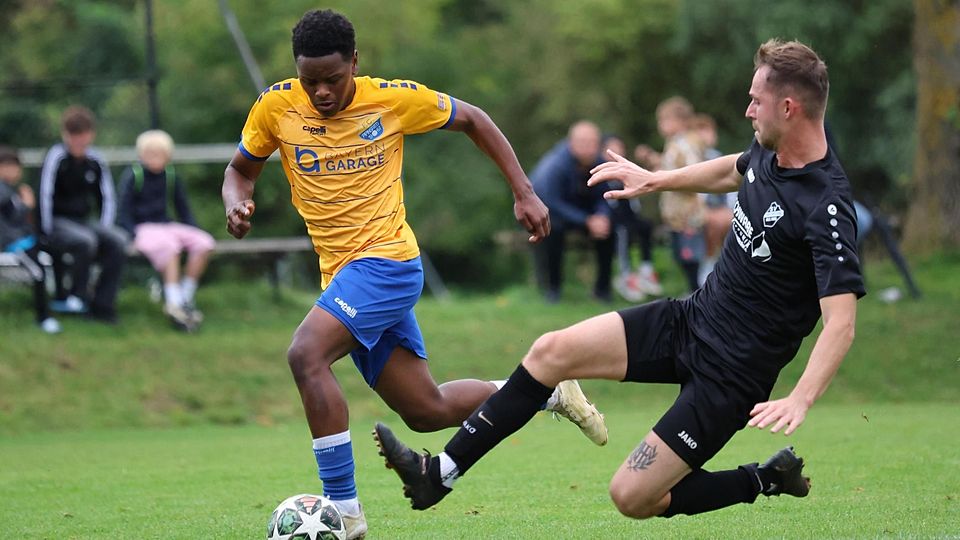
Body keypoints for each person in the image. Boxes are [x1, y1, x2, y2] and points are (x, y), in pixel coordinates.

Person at [375, 39, 865, 523]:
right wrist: (655, 179)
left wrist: (801, 396)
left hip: (731, 376)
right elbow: (733, 171)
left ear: (788, 107)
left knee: (632, 497)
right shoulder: (768, 152)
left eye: (756, 100)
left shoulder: (826, 205)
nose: (748, 110)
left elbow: (840, 323)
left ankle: (764, 479)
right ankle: (438, 473)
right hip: (689, 320)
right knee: (551, 351)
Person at [220, 9, 606, 539]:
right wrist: (236, 203)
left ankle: (345, 512)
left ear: (355, 63)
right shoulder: (277, 106)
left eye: (333, 79)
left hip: (388, 264)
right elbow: (240, 170)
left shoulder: (391, 100)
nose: (322, 92)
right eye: (310, 81)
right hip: (342, 278)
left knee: (305, 354)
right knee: (427, 410)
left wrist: (524, 191)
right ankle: (546, 391)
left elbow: (474, 119)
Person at [118, 130, 215, 332]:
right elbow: (123, 210)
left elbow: (182, 208)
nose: (155, 158)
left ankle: (185, 297)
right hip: (143, 227)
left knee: (204, 242)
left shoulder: (170, 176)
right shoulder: (134, 176)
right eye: (150, 154)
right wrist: (131, 234)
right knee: (170, 247)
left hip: (165, 225)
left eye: (159, 154)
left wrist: (193, 229)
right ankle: (174, 303)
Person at [38, 105, 127, 323]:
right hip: (58, 221)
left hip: (84, 221)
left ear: (91, 134)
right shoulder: (57, 157)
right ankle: (78, 299)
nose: (78, 141)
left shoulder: (95, 160)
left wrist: (105, 227)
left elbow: (107, 197)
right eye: (74, 135)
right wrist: (45, 230)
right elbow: (44, 194)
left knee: (118, 241)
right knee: (85, 241)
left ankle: (103, 305)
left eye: (83, 135)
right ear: (65, 134)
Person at [530, 120, 614, 303]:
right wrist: (586, 220)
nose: (589, 148)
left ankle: (603, 290)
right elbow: (551, 202)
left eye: (593, 143)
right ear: (571, 143)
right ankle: (553, 289)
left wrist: (602, 216)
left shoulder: (599, 163)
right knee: (552, 230)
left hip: (585, 216)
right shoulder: (556, 165)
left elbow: (604, 195)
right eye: (583, 142)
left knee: (609, 229)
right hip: (555, 215)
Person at [0, 146, 60, 334]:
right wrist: (27, 205)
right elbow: (12, 218)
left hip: (24, 240)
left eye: (16, 166)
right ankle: (44, 317)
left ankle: (63, 299)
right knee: (38, 272)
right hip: (12, 244)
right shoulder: (2, 191)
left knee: (57, 251)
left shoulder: (9, 190)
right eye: (9, 166)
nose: (14, 171)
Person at [656, 97, 707, 293]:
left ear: (680, 121)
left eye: (664, 120)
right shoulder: (673, 142)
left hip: (688, 212)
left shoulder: (688, 144)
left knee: (690, 255)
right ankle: (693, 291)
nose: (661, 125)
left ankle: (697, 292)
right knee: (679, 254)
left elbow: (695, 173)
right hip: (675, 212)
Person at [603, 135, 662, 302]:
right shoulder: (600, 171)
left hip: (630, 216)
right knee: (623, 232)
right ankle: (625, 275)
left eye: (619, 147)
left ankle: (646, 270)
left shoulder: (626, 171)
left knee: (646, 226)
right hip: (613, 219)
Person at [693, 113, 736, 285]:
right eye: (701, 131)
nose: (706, 136)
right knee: (715, 223)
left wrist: (732, 209)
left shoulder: (718, 156)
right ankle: (707, 269)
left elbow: (731, 189)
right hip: (700, 210)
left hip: (721, 209)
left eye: (709, 131)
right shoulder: (692, 157)